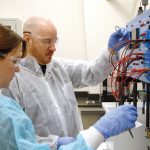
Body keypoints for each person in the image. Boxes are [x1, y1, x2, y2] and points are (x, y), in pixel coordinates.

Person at [0, 23, 138, 150]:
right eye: (47, 41)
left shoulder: (58, 67)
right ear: (27, 38)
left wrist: (111, 51)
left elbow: (90, 73)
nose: (53, 48)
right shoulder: (10, 81)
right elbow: (17, 139)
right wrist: (54, 143)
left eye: (55, 42)